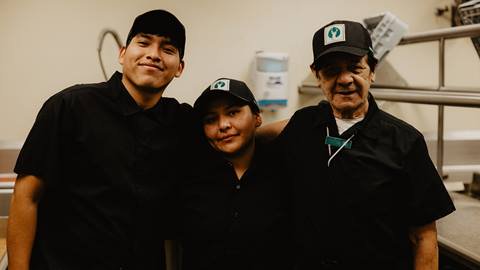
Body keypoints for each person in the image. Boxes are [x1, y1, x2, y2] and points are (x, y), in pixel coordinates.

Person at [7, 10, 191, 270]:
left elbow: (235, 132)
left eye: (168, 49)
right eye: (144, 42)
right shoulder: (70, 106)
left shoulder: (181, 121)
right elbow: (26, 196)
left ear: (180, 68)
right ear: (122, 53)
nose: (153, 54)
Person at [265, 20, 455, 269]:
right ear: (317, 75)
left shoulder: (405, 142)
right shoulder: (302, 126)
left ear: (372, 70)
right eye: (332, 70)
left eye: (355, 68)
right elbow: (251, 137)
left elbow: (424, 236)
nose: (344, 79)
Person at [180, 78, 292, 270]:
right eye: (211, 119)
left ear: (257, 117)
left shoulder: (284, 170)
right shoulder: (190, 175)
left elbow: (310, 122)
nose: (223, 125)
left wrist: (255, 135)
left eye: (233, 113)